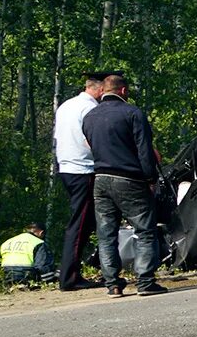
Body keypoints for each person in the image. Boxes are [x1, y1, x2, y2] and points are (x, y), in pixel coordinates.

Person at [82, 73, 167, 296]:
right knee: (145, 230)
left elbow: (91, 146)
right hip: (129, 178)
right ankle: (145, 282)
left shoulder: (89, 117)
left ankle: (112, 284)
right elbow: (144, 149)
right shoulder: (133, 113)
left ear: (103, 91)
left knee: (106, 233)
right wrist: (150, 178)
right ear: (123, 91)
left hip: (100, 179)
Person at [52, 71, 108, 290]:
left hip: (67, 167)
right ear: (100, 89)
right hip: (83, 169)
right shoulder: (91, 109)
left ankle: (82, 272)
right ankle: (69, 277)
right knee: (81, 225)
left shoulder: (66, 105)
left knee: (87, 223)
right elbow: (90, 140)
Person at [0, 222, 55, 286]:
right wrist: (50, 281)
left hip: (6, 276)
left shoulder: (8, 241)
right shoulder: (38, 243)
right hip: (26, 276)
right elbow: (43, 266)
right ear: (41, 233)